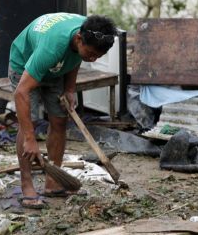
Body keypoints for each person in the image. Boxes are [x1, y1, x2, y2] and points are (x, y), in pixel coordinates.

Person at [9, 12, 117, 208]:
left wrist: (69, 89)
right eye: (91, 54)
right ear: (78, 39)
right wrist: (30, 139)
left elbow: (75, 57)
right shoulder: (52, 47)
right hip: (24, 63)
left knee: (59, 120)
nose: (92, 60)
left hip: (55, 69)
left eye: (98, 56)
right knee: (28, 125)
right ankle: (27, 184)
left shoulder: (85, 36)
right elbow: (21, 92)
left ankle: (53, 182)